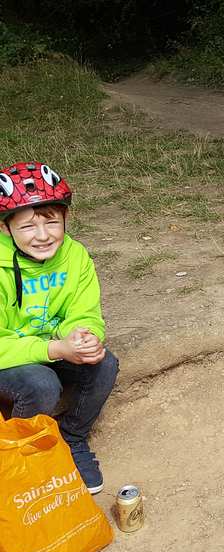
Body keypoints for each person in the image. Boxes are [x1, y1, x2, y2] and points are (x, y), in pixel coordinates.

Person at [0, 162, 118, 494]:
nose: (42, 235)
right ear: (6, 229)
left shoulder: (75, 255)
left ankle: (71, 438)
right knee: (41, 383)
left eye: (52, 221)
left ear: (66, 219)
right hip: (8, 355)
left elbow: (85, 309)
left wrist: (84, 335)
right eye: (26, 227)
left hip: (52, 344)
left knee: (104, 363)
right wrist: (53, 349)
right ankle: (26, 452)